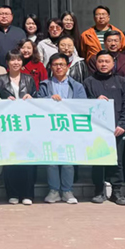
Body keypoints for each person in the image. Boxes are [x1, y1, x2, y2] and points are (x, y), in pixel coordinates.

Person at [83, 51, 125, 205]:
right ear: (96, 63)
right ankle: (99, 191)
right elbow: (81, 104)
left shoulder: (121, 81)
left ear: (113, 63)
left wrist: (122, 124)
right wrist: (94, 100)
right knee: (98, 160)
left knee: (117, 161)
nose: (103, 64)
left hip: (116, 129)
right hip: (96, 129)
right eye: (100, 61)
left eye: (107, 61)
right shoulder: (88, 82)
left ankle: (117, 192)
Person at [38, 53, 87, 205]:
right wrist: (49, 99)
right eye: (55, 65)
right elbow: (37, 103)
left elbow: (83, 105)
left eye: (62, 64)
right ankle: (53, 191)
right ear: (51, 67)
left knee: (68, 161)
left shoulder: (77, 86)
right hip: (50, 128)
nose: (59, 67)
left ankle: (67, 191)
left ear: (67, 66)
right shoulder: (44, 85)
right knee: (51, 161)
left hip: (69, 129)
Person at [0, 50, 37, 205]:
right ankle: (12, 193)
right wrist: (3, 101)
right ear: (7, 63)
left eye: (18, 60)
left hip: (26, 125)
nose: (16, 63)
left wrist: (31, 98)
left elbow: (37, 98)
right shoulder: (0, 80)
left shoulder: (29, 79)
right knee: (10, 159)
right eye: (12, 60)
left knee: (28, 159)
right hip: (8, 124)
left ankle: (28, 194)